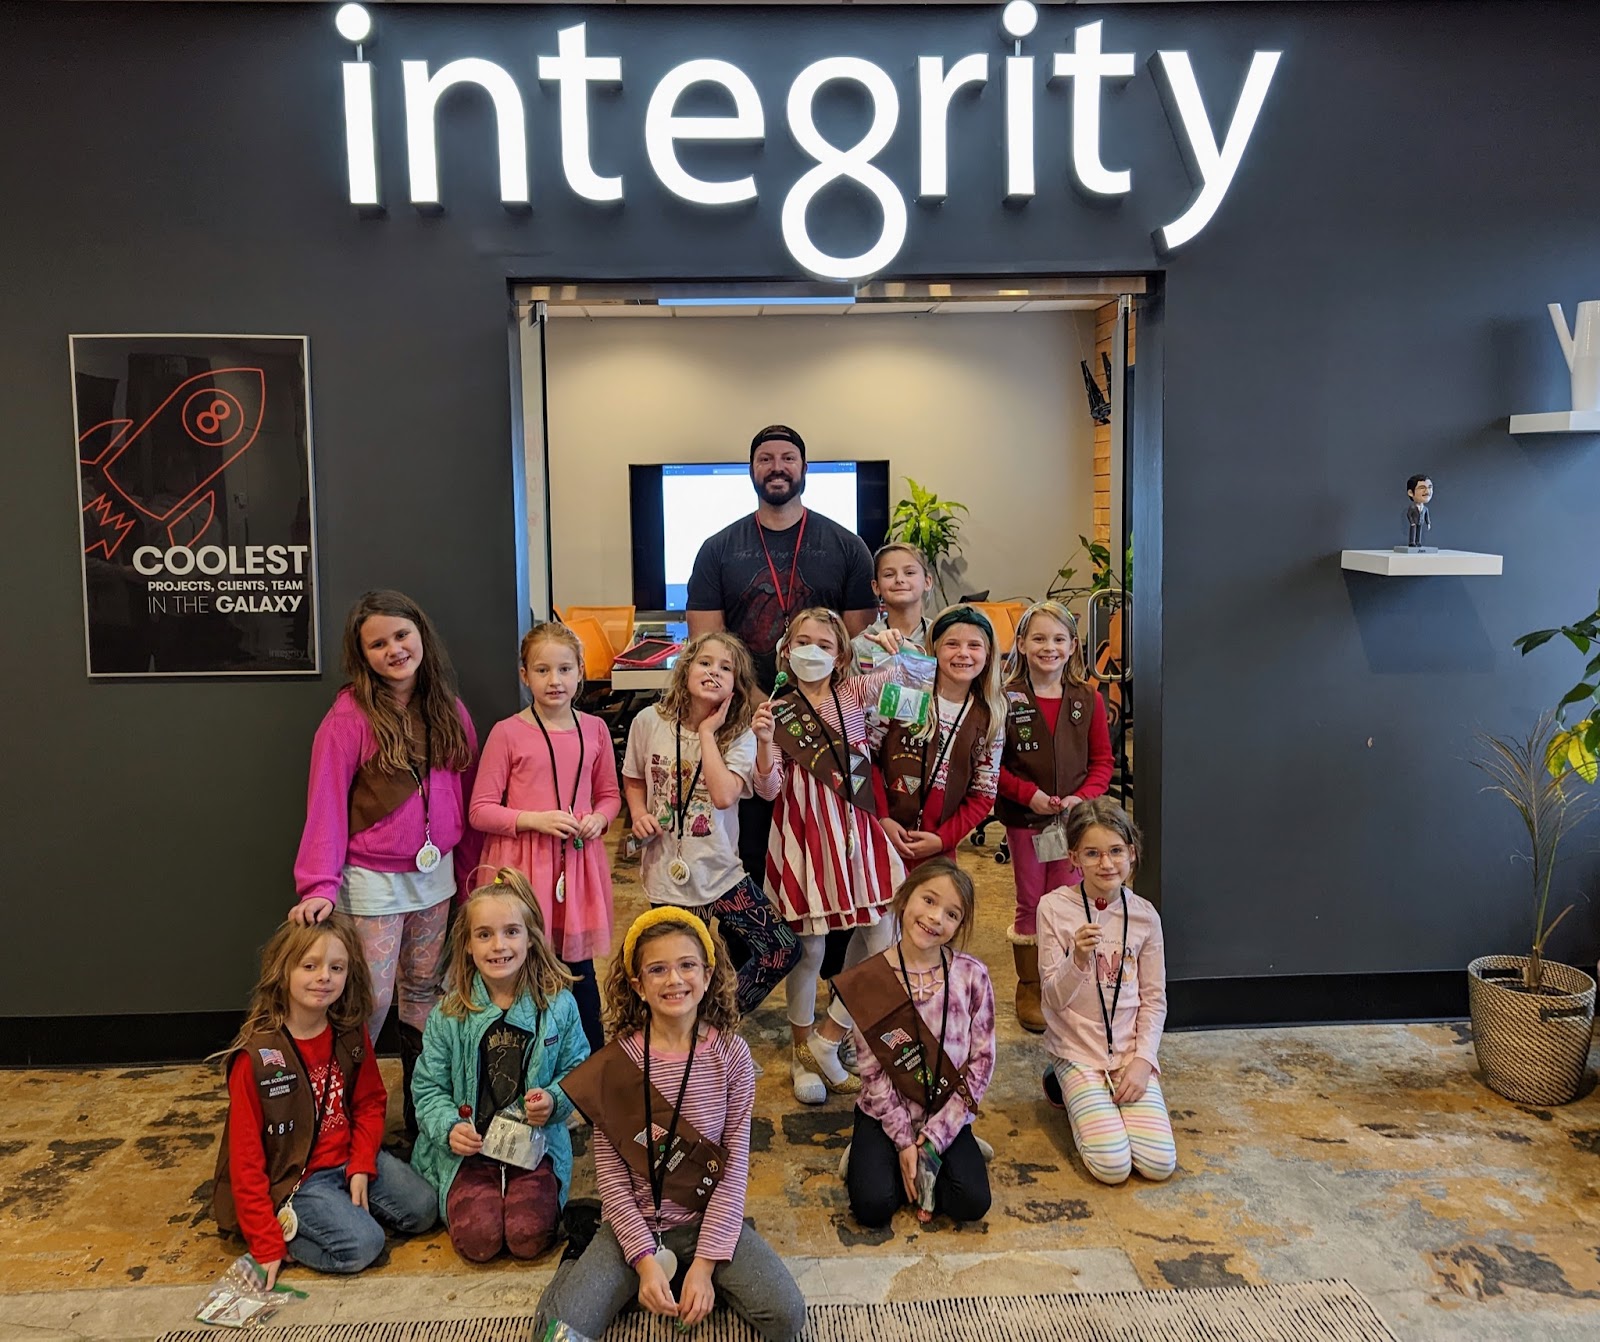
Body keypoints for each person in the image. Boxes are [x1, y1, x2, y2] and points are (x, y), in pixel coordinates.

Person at [538, 909, 806, 1342]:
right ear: (638, 985)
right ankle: (582, 1258)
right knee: (557, 1333)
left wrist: (704, 1264)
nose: (674, 980)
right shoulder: (616, 1065)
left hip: (707, 1215)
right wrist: (643, 1260)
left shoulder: (732, 1056)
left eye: (687, 965)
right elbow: (610, 1175)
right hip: (636, 1222)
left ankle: (701, 1270)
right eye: (657, 970)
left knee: (787, 1316)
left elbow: (734, 1168)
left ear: (708, 973)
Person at [291, 589, 481, 1139]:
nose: (394, 650)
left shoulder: (447, 707)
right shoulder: (348, 717)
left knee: (426, 991)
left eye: (401, 635)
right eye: (378, 643)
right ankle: (346, 1120)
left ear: (421, 634)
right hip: (372, 883)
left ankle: (427, 1115)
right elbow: (324, 801)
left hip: (436, 879)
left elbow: (464, 795)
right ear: (363, 655)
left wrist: (467, 874)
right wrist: (319, 883)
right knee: (369, 1001)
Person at [685, 425, 877, 899]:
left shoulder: (846, 546)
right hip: (745, 720)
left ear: (804, 469)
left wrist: (812, 703)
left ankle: (828, 963)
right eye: (766, 459)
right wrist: (754, 702)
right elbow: (707, 643)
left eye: (787, 458)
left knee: (828, 845)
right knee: (753, 843)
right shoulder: (718, 549)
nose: (777, 467)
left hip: (828, 720)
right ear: (752, 470)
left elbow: (856, 642)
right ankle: (759, 955)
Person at [212, 913, 438, 1287]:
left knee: (424, 1209)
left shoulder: (349, 1031)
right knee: (364, 1246)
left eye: (337, 967)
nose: (324, 977)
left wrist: (363, 1163)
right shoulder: (256, 1056)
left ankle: (343, 1212)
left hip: (347, 1156)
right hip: (298, 1179)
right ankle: (292, 1226)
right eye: (310, 966)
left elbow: (369, 1102)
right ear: (282, 970)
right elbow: (246, 1158)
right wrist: (266, 1244)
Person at [752, 607, 912, 1104]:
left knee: (884, 935)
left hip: (856, 832)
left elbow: (911, 687)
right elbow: (768, 788)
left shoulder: (854, 693)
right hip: (803, 834)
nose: (812, 652)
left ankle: (831, 1036)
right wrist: (761, 743)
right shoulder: (777, 711)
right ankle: (803, 1051)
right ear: (785, 648)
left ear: (841, 653)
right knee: (811, 948)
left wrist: (897, 647)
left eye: (824, 644)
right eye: (802, 641)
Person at [410, 867, 590, 1262]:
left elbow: (579, 1071)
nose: (498, 946)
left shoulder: (558, 1006)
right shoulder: (449, 1014)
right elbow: (427, 1088)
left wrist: (555, 1101)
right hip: (470, 1154)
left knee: (528, 1237)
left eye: (511, 931)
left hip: (534, 1149)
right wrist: (449, 1128)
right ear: (468, 945)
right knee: (479, 1240)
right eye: (484, 934)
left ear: (531, 939)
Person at [622, 631, 801, 1012]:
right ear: (686, 668)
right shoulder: (647, 721)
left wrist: (706, 732)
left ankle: (715, 1021)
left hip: (721, 872)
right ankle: (682, 1030)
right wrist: (638, 812)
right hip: (666, 875)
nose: (713, 672)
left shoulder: (740, 736)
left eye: (726, 668)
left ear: (736, 685)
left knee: (781, 948)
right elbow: (634, 776)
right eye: (705, 663)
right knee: (680, 966)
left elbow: (722, 795)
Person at [468, 622, 621, 1052]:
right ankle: (518, 1067)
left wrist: (599, 820)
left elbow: (609, 796)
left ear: (580, 672)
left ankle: (588, 1073)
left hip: (577, 866)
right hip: (520, 870)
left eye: (564, 669)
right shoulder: (507, 732)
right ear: (524, 675)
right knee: (519, 968)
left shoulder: (595, 730)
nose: (554, 680)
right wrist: (534, 819)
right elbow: (480, 810)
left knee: (579, 972)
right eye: (542, 670)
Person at [832, 859, 994, 1229]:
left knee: (971, 1201)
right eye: (929, 900)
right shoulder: (871, 979)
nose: (936, 918)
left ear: (959, 926)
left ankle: (947, 1149)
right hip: (884, 1110)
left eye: (952, 913)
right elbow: (871, 1074)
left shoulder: (972, 975)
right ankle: (866, 1151)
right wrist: (906, 1142)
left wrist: (936, 1139)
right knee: (874, 1206)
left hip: (946, 1109)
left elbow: (982, 1061)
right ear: (905, 898)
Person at [1037, 797, 1176, 1186]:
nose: (1106, 863)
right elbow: (1052, 998)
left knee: (1158, 1163)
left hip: (1128, 1053)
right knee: (1112, 1167)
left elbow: (1154, 998)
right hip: (1078, 1050)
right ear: (1073, 858)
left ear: (1131, 854)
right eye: (1092, 853)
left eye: (1116, 851)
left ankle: (1103, 1098)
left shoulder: (1146, 916)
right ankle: (1063, 1080)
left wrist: (1143, 1060)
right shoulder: (1053, 909)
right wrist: (1076, 959)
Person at [995, 600, 1113, 1034]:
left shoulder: (1088, 699)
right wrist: (1032, 795)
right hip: (1026, 821)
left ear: (1072, 645)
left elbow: (1102, 762)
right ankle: (1029, 985)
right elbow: (994, 767)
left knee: (1065, 902)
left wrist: (1082, 798)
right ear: (1022, 644)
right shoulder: (1005, 699)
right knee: (1031, 901)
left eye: (1058, 639)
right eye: (1039, 638)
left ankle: (1062, 982)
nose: (1049, 647)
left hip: (1073, 825)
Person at [875, 604, 1007, 867]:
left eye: (974, 645)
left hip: (937, 849)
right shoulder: (903, 691)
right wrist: (881, 817)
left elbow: (983, 793)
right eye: (952, 644)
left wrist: (944, 839)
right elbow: (868, 758)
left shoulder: (991, 715)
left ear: (989, 653)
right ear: (934, 647)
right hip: (881, 837)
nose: (963, 654)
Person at [851, 542, 935, 670]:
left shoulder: (942, 638)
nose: (899, 579)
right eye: (889, 574)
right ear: (876, 587)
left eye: (910, 572)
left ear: (927, 582)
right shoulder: (860, 646)